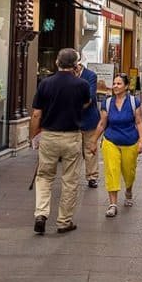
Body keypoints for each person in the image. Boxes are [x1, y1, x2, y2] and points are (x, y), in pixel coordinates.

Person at [30, 48, 91, 234]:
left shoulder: (45, 83)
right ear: (75, 65)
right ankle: (64, 221)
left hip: (49, 135)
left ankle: (41, 214)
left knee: (44, 177)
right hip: (71, 136)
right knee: (70, 180)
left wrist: (34, 136)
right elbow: (87, 103)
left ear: (57, 62)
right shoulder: (82, 84)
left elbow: (36, 114)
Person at [90, 73, 142, 217]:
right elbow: (102, 124)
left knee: (129, 172)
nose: (115, 86)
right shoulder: (107, 103)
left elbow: (139, 122)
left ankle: (128, 189)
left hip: (130, 141)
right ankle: (112, 204)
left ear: (126, 86)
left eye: (119, 83)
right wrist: (94, 141)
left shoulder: (134, 102)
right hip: (110, 141)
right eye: (114, 83)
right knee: (111, 171)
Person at [79, 56, 100, 189]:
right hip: (72, 121)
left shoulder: (90, 75)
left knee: (90, 148)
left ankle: (92, 176)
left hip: (89, 118)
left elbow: (90, 96)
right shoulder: (67, 74)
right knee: (74, 151)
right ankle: (72, 176)